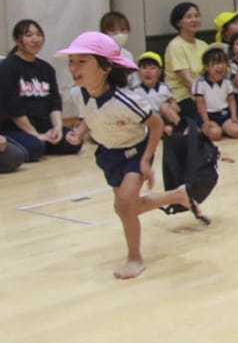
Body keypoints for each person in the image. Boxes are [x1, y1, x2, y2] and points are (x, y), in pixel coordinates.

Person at [58, 32, 204, 280]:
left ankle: (135, 258)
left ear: (104, 68)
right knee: (126, 207)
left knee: (125, 205)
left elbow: (156, 125)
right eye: (71, 61)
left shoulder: (126, 100)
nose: (74, 68)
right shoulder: (77, 94)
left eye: (82, 62)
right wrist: (80, 132)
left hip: (135, 152)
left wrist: (146, 160)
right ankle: (178, 196)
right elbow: (90, 117)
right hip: (108, 153)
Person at [0, 20, 81, 160]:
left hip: (44, 126)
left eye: (38, 34)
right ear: (16, 39)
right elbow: (14, 109)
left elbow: (54, 102)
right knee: (35, 147)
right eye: (28, 35)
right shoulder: (7, 68)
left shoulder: (46, 68)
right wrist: (35, 135)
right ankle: (36, 142)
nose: (35, 39)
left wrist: (57, 128)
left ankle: (45, 140)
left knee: (73, 141)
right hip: (17, 128)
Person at [163, 2, 208, 123]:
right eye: (189, 17)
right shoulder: (175, 46)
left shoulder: (203, 45)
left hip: (202, 94)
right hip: (183, 97)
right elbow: (187, 80)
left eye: (197, 16)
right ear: (178, 23)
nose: (194, 20)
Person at [192, 47, 238, 141]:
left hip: (224, 114)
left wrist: (234, 116)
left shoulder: (227, 81)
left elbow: (231, 100)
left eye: (223, 63)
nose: (220, 66)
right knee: (215, 134)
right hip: (208, 115)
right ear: (206, 67)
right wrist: (206, 121)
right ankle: (204, 129)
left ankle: (223, 128)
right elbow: (200, 103)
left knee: (237, 132)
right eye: (216, 63)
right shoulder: (200, 82)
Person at [132, 51, 181, 136]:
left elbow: (172, 101)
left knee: (165, 108)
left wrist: (173, 105)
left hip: (162, 118)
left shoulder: (164, 87)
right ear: (138, 72)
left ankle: (182, 127)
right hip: (147, 121)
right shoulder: (136, 91)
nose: (148, 71)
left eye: (152, 68)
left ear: (159, 72)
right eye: (144, 68)